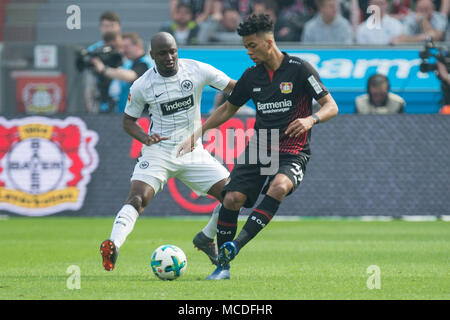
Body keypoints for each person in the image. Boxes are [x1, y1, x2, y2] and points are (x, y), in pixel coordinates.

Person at [178, 14, 338, 280]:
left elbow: (331, 106)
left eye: (252, 45)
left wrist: (311, 119)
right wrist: (199, 132)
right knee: (231, 199)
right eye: (246, 46)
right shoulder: (251, 76)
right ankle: (223, 268)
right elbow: (229, 108)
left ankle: (235, 246)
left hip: (293, 150)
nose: (248, 52)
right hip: (261, 149)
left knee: (280, 186)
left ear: (269, 42)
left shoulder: (300, 69)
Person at [99, 32, 236, 272]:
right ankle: (113, 245)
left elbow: (234, 87)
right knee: (137, 198)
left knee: (233, 195)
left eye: (172, 51)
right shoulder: (142, 85)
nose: (169, 57)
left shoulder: (196, 70)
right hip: (158, 152)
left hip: (192, 151)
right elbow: (128, 122)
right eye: (162, 53)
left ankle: (206, 237)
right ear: (152, 56)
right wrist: (145, 137)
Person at [91, 32, 152, 112]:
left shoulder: (145, 63)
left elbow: (131, 76)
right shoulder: (130, 63)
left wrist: (103, 69)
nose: (123, 50)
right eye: (122, 47)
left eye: (126, 47)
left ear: (138, 46)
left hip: (142, 115)